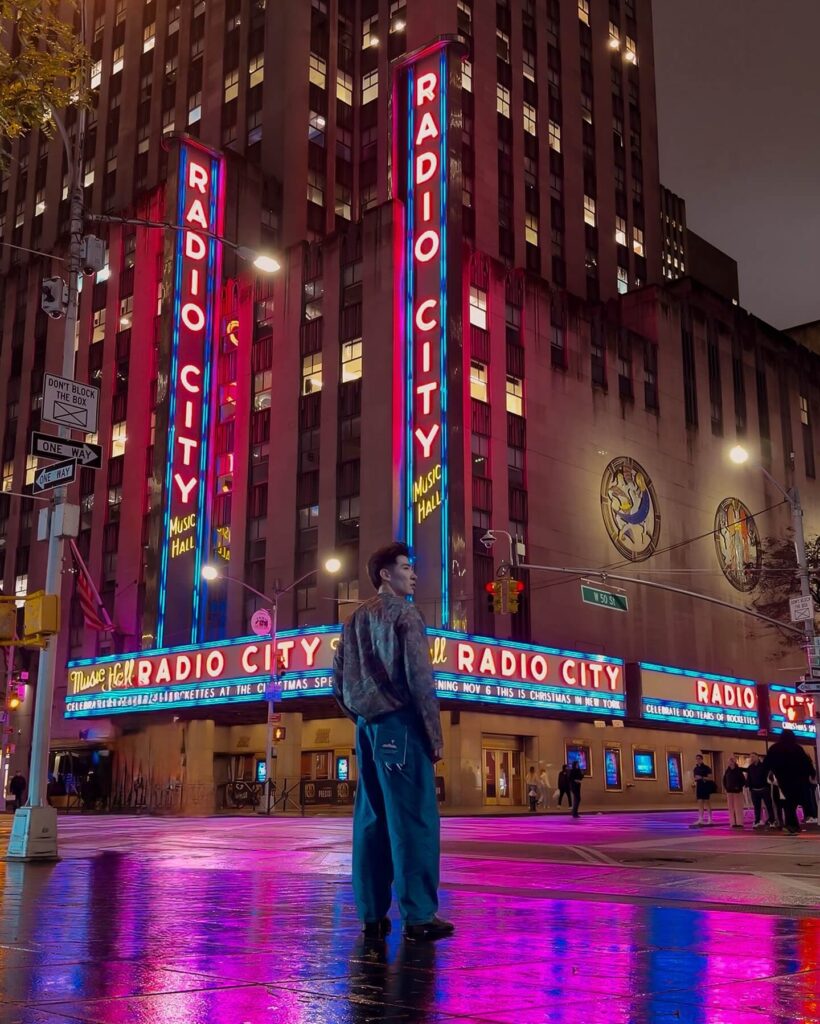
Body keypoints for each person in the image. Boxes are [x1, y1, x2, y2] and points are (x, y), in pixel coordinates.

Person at [332, 541, 454, 942]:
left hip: (367, 728)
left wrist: (362, 718)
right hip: (401, 725)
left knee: (371, 819)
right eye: (406, 567)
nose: (413, 574)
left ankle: (371, 914)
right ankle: (419, 915)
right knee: (413, 820)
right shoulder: (405, 613)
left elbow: (337, 683)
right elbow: (420, 679)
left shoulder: (353, 620)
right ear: (385, 574)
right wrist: (433, 735)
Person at [763, 730, 816, 835]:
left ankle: (791, 825)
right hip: (798, 780)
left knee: (788, 803)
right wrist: (811, 773)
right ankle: (793, 825)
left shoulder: (775, 748)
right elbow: (806, 763)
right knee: (792, 803)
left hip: (783, 780)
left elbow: (767, 763)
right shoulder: (797, 748)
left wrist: (769, 774)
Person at [745, 752, 776, 829]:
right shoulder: (750, 767)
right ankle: (757, 821)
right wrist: (750, 787)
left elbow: (768, 777)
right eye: (751, 757)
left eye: (753, 756)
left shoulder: (763, 766)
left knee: (769, 805)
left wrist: (767, 786)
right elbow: (749, 778)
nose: (752, 758)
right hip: (754, 790)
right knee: (756, 807)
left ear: (757, 757)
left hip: (764, 789)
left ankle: (772, 821)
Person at [723, 757, 746, 828]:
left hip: (737, 792)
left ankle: (740, 822)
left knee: (738, 807)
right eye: (729, 762)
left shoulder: (738, 771)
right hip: (729, 791)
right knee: (731, 807)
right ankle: (732, 822)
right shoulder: (727, 771)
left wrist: (738, 787)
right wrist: (726, 788)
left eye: (731, 762)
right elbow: (724, 780)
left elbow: (743, 781)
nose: (730, 763)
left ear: (734, 762)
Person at [692, 754, 714, 826]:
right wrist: (695, 780)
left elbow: (710, 778)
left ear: (702, 759)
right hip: (699, 786)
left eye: (699, 758)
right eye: (696, 759)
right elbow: (695, 778)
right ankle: (700, 819)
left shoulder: (707, 768)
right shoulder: (695, 769)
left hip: (706, 786)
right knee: (700, 802)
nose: (698, 760)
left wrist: (701, 777)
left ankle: (710, 819)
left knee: (707, 802)